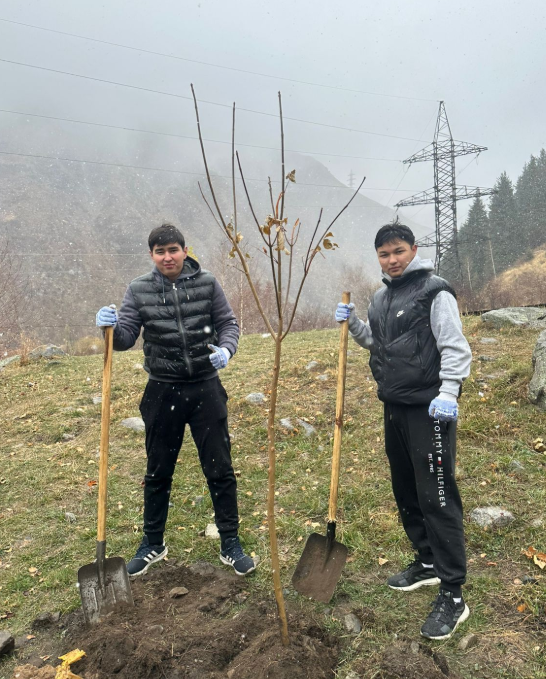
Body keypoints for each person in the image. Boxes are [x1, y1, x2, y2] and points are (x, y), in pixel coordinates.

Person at [335, 221, 472, 640]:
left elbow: (454, 345)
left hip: (429, 408)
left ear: (413, 249)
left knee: (437, 496)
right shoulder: (381, 297)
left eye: (398, 251)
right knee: (406, 489)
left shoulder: (435, 291)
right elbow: (378, 344)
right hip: (394, 406)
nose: (392, 260)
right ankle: (427, 562)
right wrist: (354, 324)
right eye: (384, 254)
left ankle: (453, 593)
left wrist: (448, 391)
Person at [95, 223, 256, 577]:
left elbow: (228, 323)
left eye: (173, 250)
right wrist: (110, 328)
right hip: (162, 390)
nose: (167, 257)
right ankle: (153, 543)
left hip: (205, 388)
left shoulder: (207, 283)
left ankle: (230, 543)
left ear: (185, 251)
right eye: (160, 251)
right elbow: (125, 338)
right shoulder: (138, 289)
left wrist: (226, 350)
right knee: (158, 471)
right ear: (151, 255)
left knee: (219, 468)